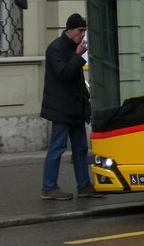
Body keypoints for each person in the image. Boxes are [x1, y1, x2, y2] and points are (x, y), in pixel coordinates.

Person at [40, 13, 103, 200]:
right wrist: (77, 56)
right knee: (57, 147)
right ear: (69, 30)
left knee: (81, 148)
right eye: (79, 30)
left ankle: (84, 186)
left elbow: (77, 81)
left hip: (75, 108)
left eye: (84, 31)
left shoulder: (72, 48)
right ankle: (48, 188)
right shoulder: (55, 48)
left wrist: (86, 104)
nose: (82, 35)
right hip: (61, 108)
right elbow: (64, 74)